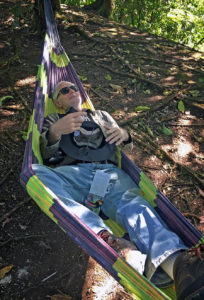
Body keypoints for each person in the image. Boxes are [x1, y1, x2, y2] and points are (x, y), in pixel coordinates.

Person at [33, 80, 204, 299]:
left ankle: (182, 268)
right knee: (37, 174)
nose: (70, 91)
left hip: (109, 174)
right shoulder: (54, 119)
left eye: (74, 88)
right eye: (63, 91)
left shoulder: (101, 115)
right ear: (57, 101)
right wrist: (56, 131)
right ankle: (106, 237)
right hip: (74, 175)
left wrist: (124, 134)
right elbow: (46, 156)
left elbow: (126, 145)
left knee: (136, 206)